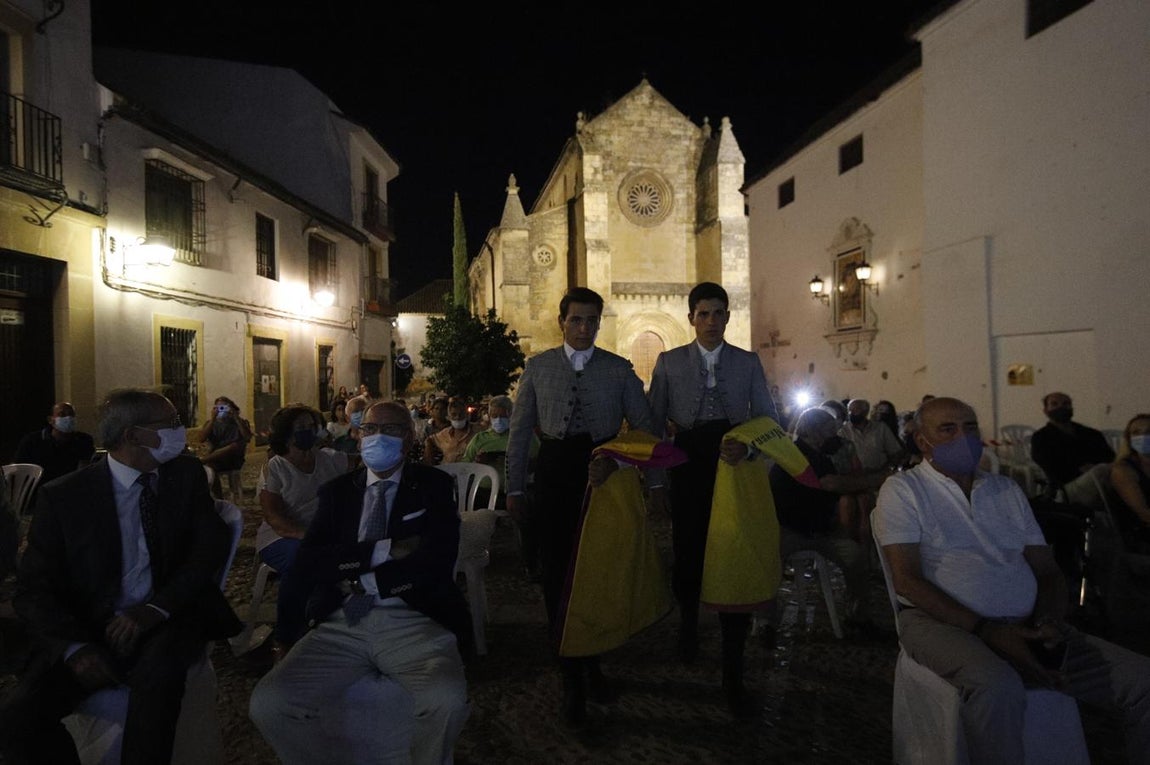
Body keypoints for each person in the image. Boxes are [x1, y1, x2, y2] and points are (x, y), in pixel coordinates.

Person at [874, 397, 1150, 764]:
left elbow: (1048, 571)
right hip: (939, 622)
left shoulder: (1005, 490)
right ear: (923, 442)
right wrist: (988, 631)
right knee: (998, 687)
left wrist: (1049, 621)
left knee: (1143, 682)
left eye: (970, 427)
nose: (964, 437)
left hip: (1029, 623)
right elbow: (907, 581)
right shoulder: (904, 491)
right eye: (948, 429)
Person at [0, 389, 241, 764]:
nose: (180, 431)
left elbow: (206, 550)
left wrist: (155, 609)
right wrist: (74, 649)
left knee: (156, 692)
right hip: (91, 627)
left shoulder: (184, 475)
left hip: (163, 620)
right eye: (171, 424)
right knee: (18, 720)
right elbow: (34, 588)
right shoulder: (65, 497)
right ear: (133, 436)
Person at [249, 402, 470, 764]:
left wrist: (359, 576)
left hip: (412, 617)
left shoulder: (433, 485)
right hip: (342, 619)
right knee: (270, 704)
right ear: (358, 434)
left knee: (445, 700)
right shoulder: (338, 492)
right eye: (369, 429)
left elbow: (435, 559)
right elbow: (310, 562)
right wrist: (383, 550)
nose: (377, 437)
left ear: (410, 436)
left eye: (392, 429)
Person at [506, 286, 653, 726]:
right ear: (561, 321)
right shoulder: (536, 368)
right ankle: (570, 671)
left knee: (598, 570)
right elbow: (518, 435)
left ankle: (593, 662)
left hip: (602, 476)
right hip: (554, 475)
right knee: (556, 574)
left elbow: (644, 428)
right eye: (576, 320)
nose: (585, 328)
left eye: (592, 320)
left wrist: (615, 459)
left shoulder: (620, 369)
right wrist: (514, 489)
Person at [646, 281, 779, 715]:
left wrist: (750, 447)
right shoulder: (667, 363)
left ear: (727, 317)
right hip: (686, 466)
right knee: (688, 552)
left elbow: (767, 419)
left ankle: (733, 666)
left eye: (718, 313)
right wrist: (657, 483)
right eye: (703, 314)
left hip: (733, 466)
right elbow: (652, 428)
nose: (710, 321)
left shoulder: (747, 362)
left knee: (734, 553)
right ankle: (687, 624)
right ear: (691, 318)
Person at [769, 408, 886, 631]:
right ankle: (766, 620)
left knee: (856, 558)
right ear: (816, 431)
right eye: (830, 429)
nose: (835, 435)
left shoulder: (822, 457)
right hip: (789, 529)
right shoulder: (794, 454)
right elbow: (830, 483)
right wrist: (876, 480)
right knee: (768, 565)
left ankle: (858, 617)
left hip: (821, 531)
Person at [256, 404, 350, 652]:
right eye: (301, 428)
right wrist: (310, 537)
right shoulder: (275, 468)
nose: (308, 431)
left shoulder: (330, 459)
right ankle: (286, 639)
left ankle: (322, 629)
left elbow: (363, 470)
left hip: (322, 538)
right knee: (305, 559)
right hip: (281, 538)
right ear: (286, 434)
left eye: (312, 426)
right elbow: (274, 518)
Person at [1031, 392, 1115, 501]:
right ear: (1046, 410)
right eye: (1054, 404)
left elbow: (1109, 457)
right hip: (1067, 487)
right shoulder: (1041, 438)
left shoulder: (1092, 434)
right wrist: (1083, 471)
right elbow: (1052, 468)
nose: (1061, 407)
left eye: (1066, 404)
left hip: (1102, 478)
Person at [13, 401, 96, 488]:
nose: (68, 418)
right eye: (62, 414)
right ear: (50, 420)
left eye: (71, 414)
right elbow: (20, 470)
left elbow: (85, 469)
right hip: (39, 491)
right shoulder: (32, 441)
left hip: (71, 489)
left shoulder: (84, 440)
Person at [1109, 413, 1150, 554]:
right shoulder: (1123, 470)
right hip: (1139, 537)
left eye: (1149, 432)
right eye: (1136, 433)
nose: (1144, 437)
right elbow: (1144, 514)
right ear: (1129, 439)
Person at [193, 396, 252, 486]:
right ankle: (218, 497)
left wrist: (236, 417)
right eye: (219, 408)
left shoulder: (239, 422)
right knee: (210, 470)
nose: (222, 410)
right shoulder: (211, 423)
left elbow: (247, 438)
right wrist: (213, 419)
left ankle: (201, 461)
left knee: (233, 446)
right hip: (216, 459)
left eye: (224, 407)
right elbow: (201, 439)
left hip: (233, 459)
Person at [422, 396, 480, 466]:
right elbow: (430, 440)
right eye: (454, 414)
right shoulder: (444, 433)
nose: (457, 417)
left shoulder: (478, 431)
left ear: (467, 415)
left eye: (461, 414)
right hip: (448, 471)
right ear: (449, 417)